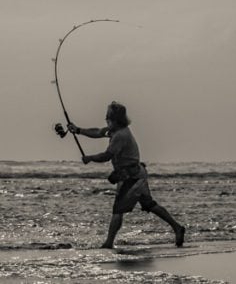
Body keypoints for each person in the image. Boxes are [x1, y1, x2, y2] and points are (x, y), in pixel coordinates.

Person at [66, 101, 185, 249]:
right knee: (149, 205)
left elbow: (107, 156)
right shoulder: (116, 130)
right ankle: (177, 227)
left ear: (115, 120)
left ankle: (108, 243)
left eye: (108, 118)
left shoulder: (120, 136)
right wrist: (77, 130)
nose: (106, 120)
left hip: (131, 177)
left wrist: (89, 158)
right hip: (137, 174)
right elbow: (97, 132)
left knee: (118, 210)